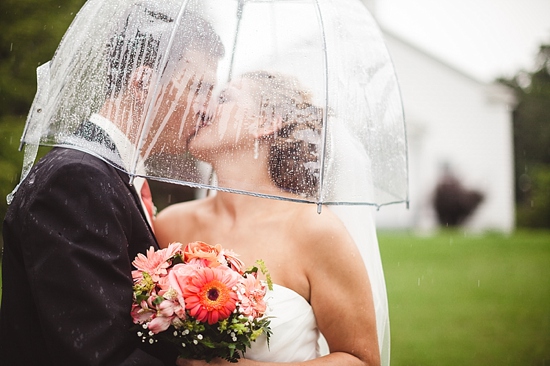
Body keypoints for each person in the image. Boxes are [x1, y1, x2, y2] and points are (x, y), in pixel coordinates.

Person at [0, 2, 224, 365]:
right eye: (199, 88)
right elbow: (98, 355)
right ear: (143, 84)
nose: (207, 109)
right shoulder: (76, 181)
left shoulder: (109, 173)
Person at [155, 71, 382, 366]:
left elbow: (361, 359)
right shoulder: (170, 224)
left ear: (266, 121)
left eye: (224, 98)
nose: (203, 108)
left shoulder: (315, 230)